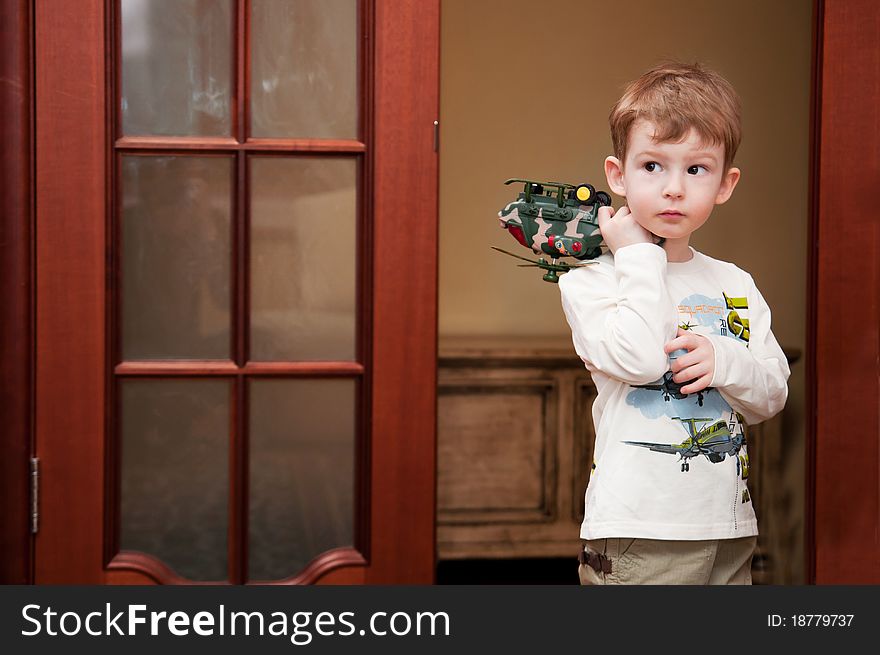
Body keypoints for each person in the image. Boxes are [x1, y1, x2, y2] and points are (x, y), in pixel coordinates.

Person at [559, 61, 790, 585]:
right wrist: (638, 259)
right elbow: (641, 363)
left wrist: (724, 359)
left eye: (696, 169)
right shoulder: (591, 283)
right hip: (641, 530)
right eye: (652, 166)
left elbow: (771, 396)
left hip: (728, 526)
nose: (673, 189)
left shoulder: (735, 283)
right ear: (617, 175)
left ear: (726, 183)